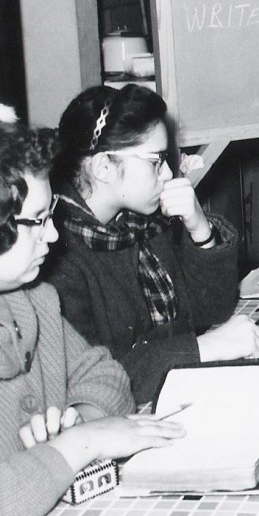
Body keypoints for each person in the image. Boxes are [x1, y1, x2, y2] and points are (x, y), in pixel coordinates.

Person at [0, 116, 184, 515]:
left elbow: (107, 374)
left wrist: (78, 418)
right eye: (36, 221)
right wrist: (88, 440)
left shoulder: (34, 301)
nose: (52, 235)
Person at [44, 84, 259, 403]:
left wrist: (199, 228)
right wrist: (204, 348)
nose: (166, 173)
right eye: (155, 161)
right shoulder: (53, 256)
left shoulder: (139, 223)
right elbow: (91, 385)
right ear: (102, 167)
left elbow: (213, 309)